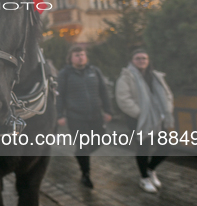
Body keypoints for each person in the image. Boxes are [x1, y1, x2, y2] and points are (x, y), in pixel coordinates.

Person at [116, 49, 173, 193]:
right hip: (138, 119)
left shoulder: (156, 76)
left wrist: (167, 110)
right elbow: (123, 99)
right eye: (138, 58)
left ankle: (150, 169)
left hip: (158, 118)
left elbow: (167, 94)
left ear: (148, 61)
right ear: (132, 61)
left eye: (144, 58)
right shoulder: (126, 77)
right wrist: (140, 114)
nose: (142, 61)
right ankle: (144, 178)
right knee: (144, 148)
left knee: (165, 147)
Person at [57, 46, 113, 188]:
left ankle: (81, 154)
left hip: (96, 115)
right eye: (77, 55)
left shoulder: (94, 71)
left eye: (82, 54)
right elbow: (59, 96)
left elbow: (103, 92)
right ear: (71, 58)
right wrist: (60, 115)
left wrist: (108, 110)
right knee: (83, 146)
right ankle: (85, 174)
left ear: (86, 57)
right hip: (76, 116)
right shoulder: (64, 74)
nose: (80, 57)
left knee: (100, 139)